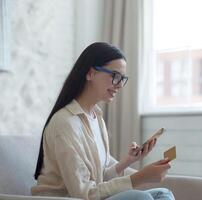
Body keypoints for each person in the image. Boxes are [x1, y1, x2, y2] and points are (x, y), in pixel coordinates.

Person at [32, 42, 175, 200]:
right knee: (141, 198)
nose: (120, 85)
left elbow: (102, 176)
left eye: (122, 78)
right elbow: (85, 193)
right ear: (90, 74)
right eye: (115, 76)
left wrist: (129, 160)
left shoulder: (96, 117)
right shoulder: (65, 123)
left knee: (164, 194)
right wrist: (139, 178)